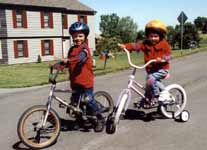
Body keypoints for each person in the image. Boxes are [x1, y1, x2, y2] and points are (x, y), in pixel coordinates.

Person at [62, 22, 105, 130]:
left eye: (80, 36)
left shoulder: (84, 49)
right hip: (75, 81)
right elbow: (69, 63)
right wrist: (58, 65)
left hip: (86, 82)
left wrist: (69, 60)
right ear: (72, 37)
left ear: (85, 36)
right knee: (75, 103)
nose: (77, 38)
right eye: (75, 36)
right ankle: (81, 120)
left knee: (87, 100)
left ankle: (100, 118)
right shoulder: (71, 50)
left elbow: (80, 58)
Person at [118, 20, 172, 105]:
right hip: (151, 70)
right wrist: (126, 46)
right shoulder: (146, 43)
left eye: (155, 36)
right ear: (147, 36)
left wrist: (162, 59)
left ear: (160, 36)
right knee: (149, 84)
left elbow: (169, 55)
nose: (153, 38)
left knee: (150, 79)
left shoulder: (164, 44)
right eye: (151, 36)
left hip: (162, 69)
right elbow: (136, 45)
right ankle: (147, 98)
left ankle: (156, 96)